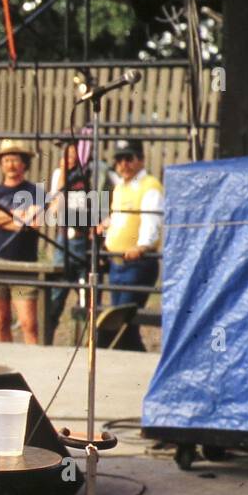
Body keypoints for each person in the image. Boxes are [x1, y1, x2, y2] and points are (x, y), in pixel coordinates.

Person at [0, 138, 43, 344]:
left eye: (15, 160)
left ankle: (34, 366)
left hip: (24, 265)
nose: (11, 165)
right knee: (1, 321)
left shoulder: (35, 191)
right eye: (6, 160)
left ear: (24, 163)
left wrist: (0, 217)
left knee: (28, 323)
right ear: (0, 164)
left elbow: (33, 223)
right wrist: (17, 216)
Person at [100, 138, 162, 351]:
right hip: (118, 263)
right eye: (119, 160)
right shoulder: (120, 188)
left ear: (141, 160)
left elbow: (151, 222)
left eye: (129, 159)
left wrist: (142, 246)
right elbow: (121, 218)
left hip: (137, 264)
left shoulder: (149, 187)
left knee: (121, 321)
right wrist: (106, 226)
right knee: (124, 322)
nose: (123, 165)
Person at [46, 141, 95, 330]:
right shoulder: (60, 174)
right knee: (57, 290)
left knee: (86, 292)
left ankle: (88, 340)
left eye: (75, 149)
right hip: (64, 236)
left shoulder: (90, 172)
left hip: (83, 237)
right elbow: (55, 207)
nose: (71, 154)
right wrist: (63, 175)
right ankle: (48, 332)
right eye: (67, 150)